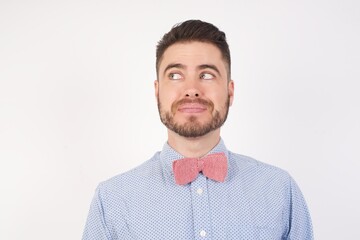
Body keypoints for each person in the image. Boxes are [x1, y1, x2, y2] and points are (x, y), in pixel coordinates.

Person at [82, 20, 313, 239]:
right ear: (157, 91)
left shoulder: (280, 190)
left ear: (230, 91)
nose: (191, 89)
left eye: (207, 75)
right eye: (175, 75)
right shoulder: (111, 200)